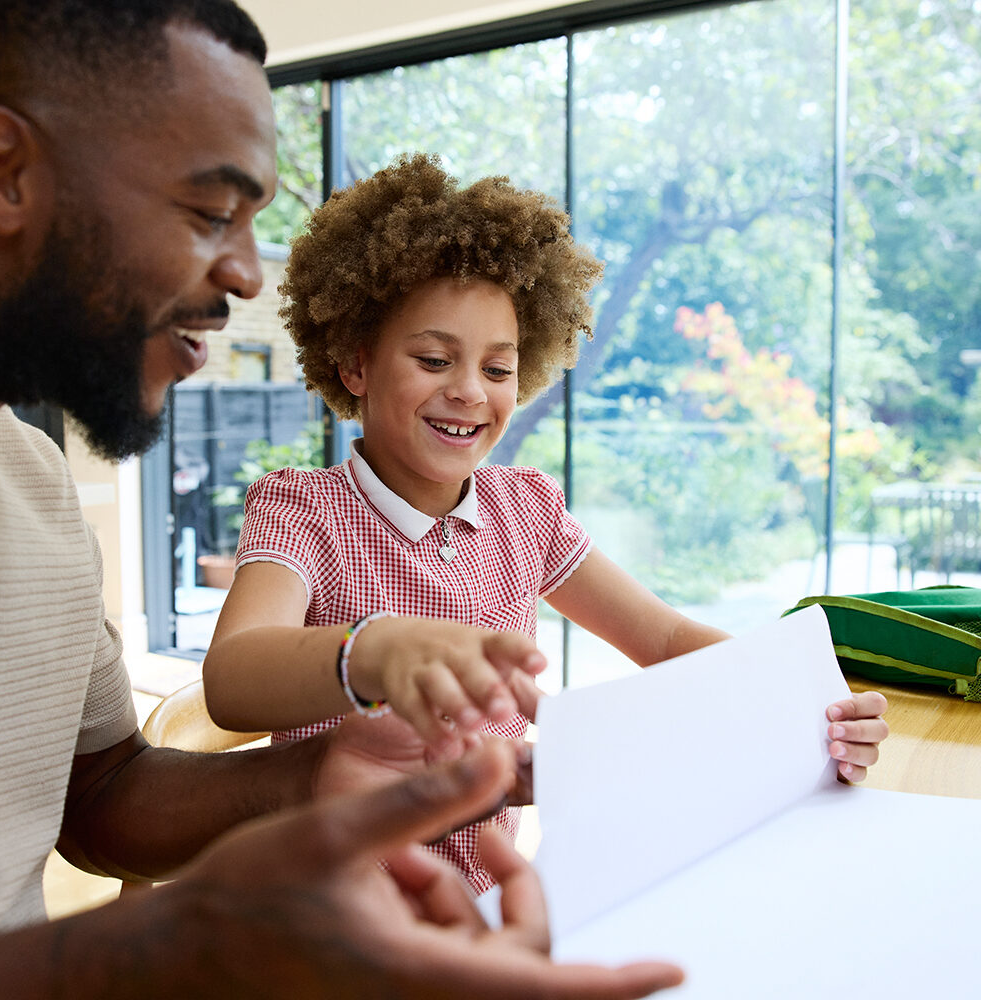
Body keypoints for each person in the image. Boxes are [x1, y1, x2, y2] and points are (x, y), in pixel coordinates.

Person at [0, 2, 689, 997]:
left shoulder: (26, 477)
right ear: (1, 171)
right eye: (211, 213)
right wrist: (156, 950)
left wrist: (328, 777)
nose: (248, 275)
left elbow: (105, 801)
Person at [200, 154, 890, 892]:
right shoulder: (305, 509)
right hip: (331, 904)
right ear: (354, 363)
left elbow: (661, 638)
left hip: (483, 899)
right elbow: (233, 678)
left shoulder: (524, 509)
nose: (468, 391)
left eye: (498, 370)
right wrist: (375, 649)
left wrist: (806, 705)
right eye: (434, 359)